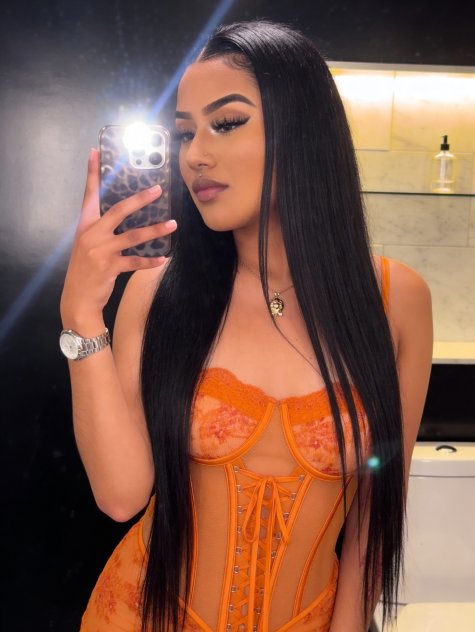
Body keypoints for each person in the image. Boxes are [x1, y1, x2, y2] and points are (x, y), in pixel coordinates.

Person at [60, 20, 432, 632]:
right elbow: (121, 495)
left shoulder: (395, 302)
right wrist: (80, 315)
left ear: (303, 130)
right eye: (185, 133)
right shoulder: (157, 291)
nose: (194, 155)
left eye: (227, 122)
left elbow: (377, 512)